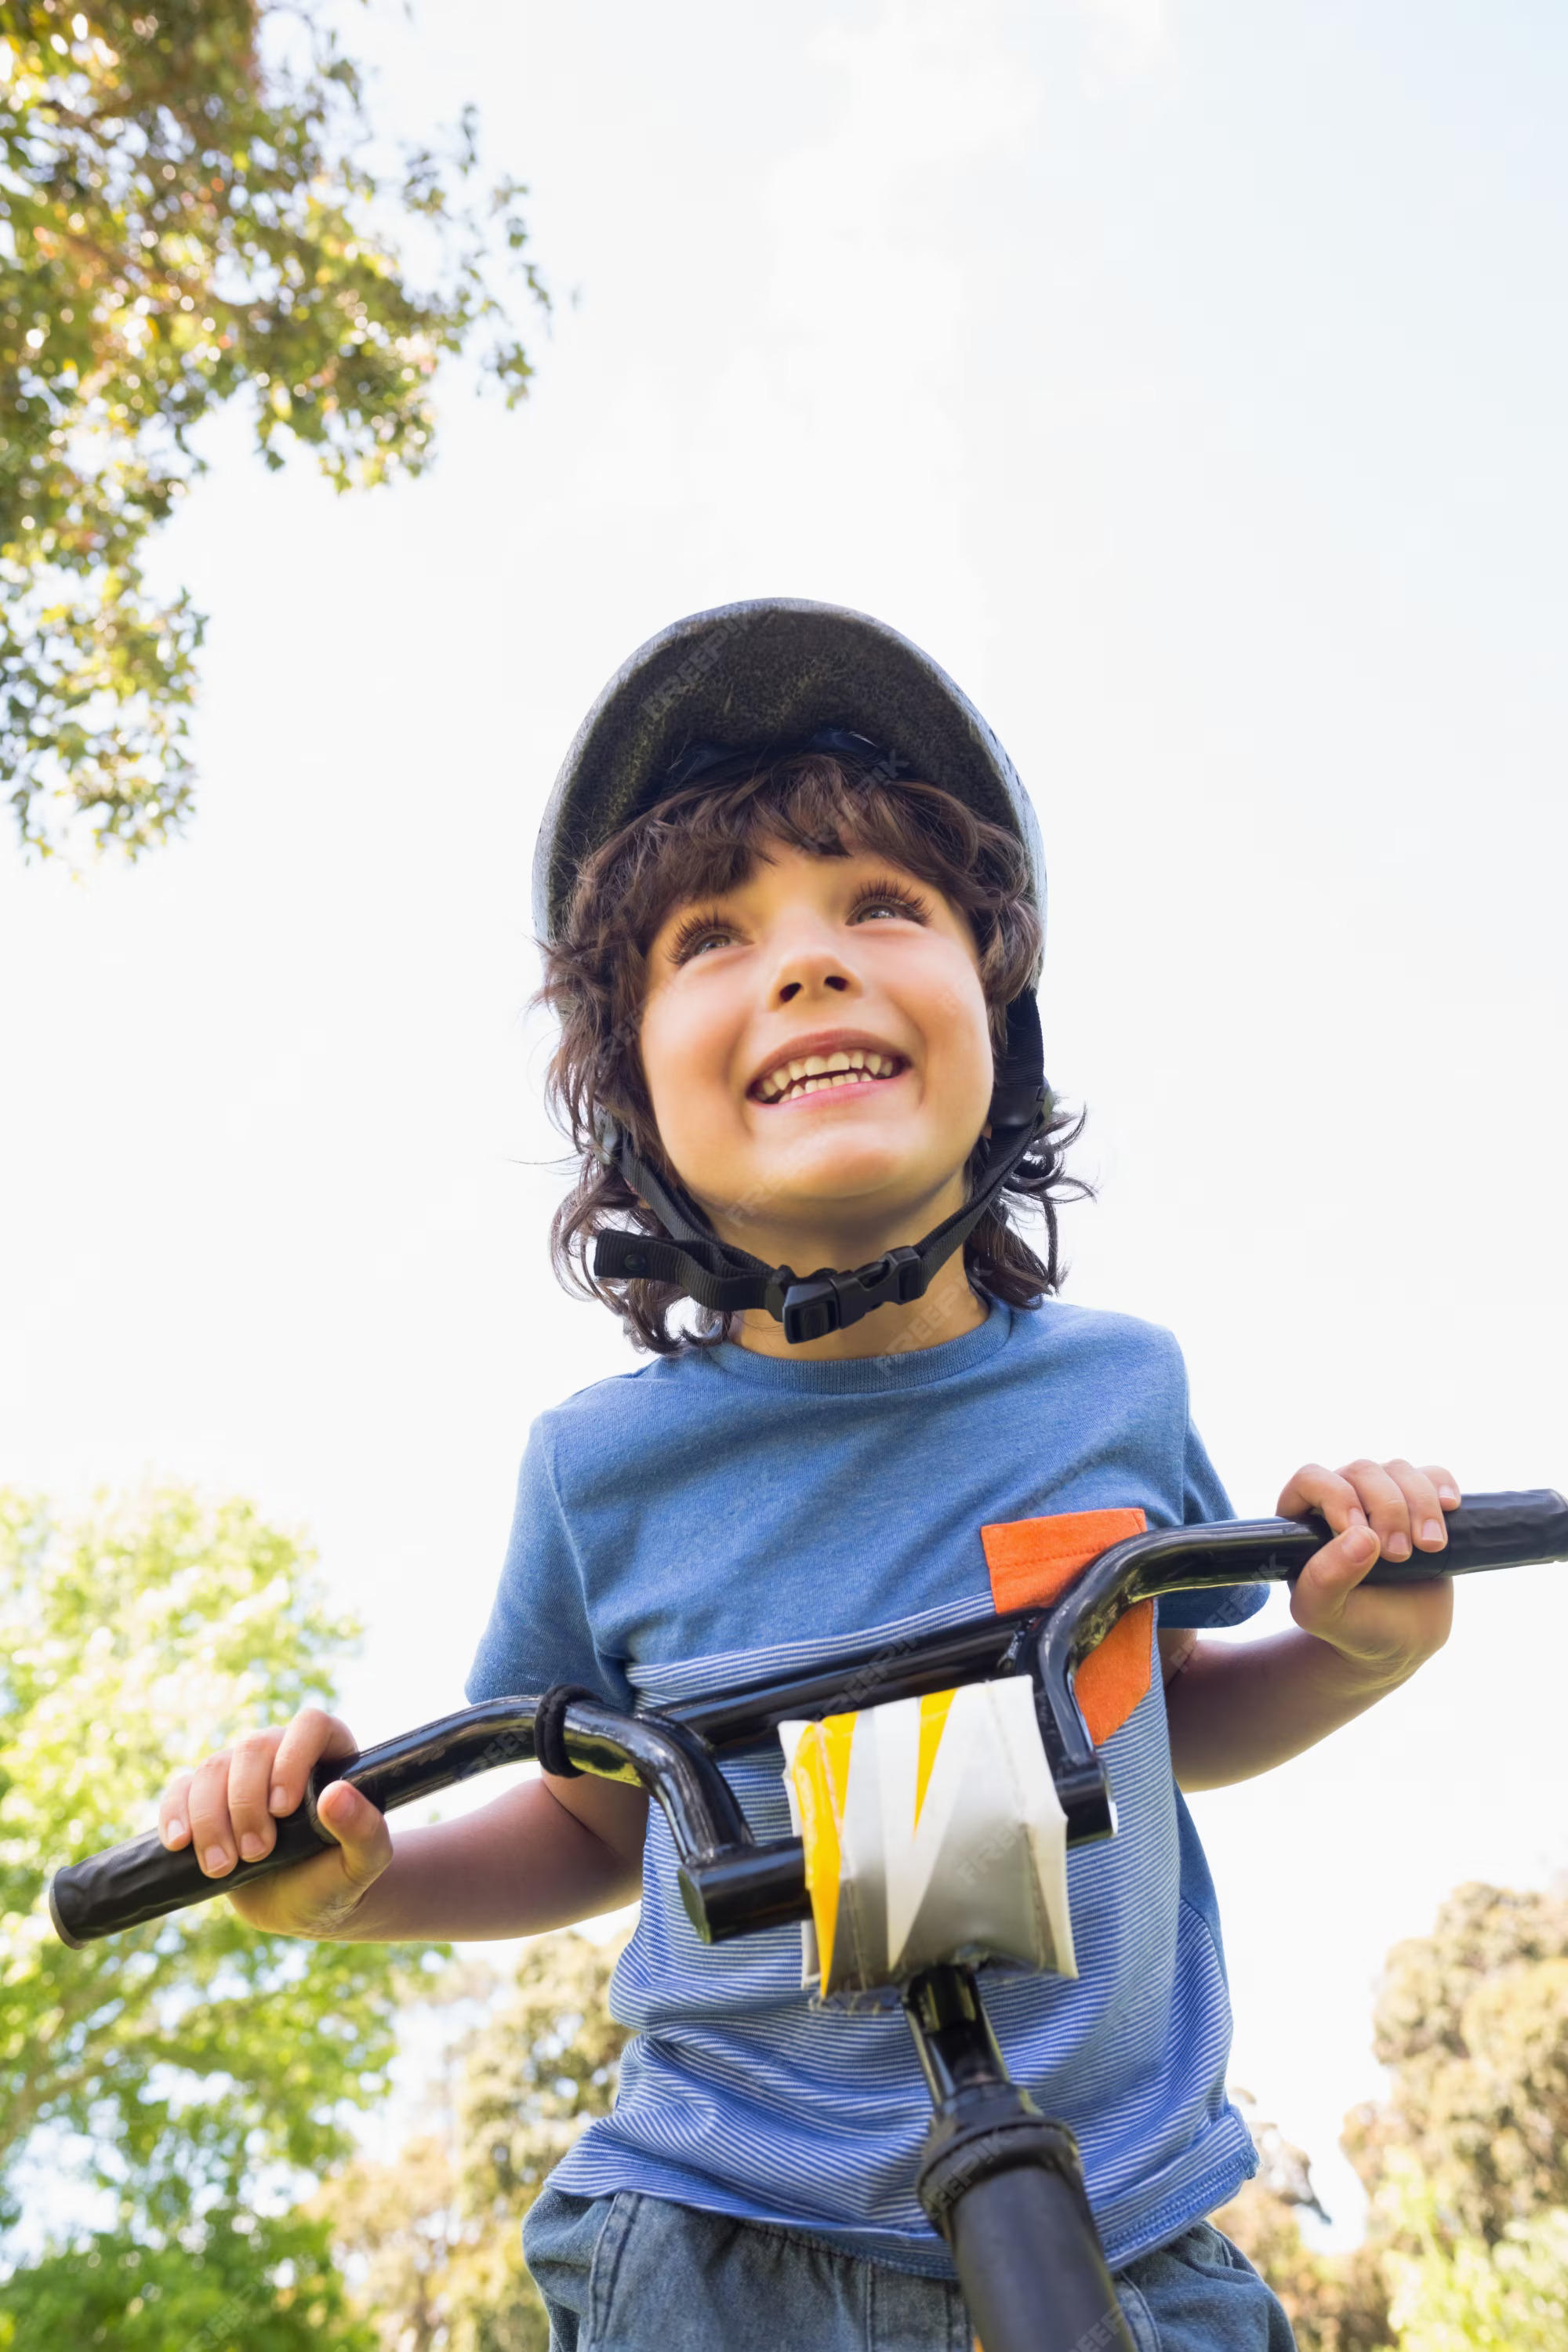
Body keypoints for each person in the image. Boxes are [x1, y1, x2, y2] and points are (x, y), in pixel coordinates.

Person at [158, 601, 1460, 2351]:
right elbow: (586, 1812)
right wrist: (361, 1880)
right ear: (634, 1099)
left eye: (882, 908)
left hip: (1131, 2227)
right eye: (715, 935)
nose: (807, 960)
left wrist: (1360, 1642)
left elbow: (1162, 1711)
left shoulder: (1116, 1390)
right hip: (728, 2240)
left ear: (997, 1020)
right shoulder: (600, 1474)